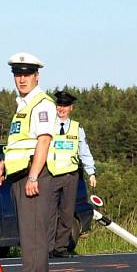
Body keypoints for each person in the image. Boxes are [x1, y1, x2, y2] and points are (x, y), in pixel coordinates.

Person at [0, 52, 56, 272]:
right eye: (18, 75)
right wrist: (3, 164)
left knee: (34, 236)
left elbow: (43, 141)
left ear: (36, 76)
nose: (21, 79)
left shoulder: (42, 104)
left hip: (34, 175)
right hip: (18, 175)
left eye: (26, 74)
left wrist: (33, 177)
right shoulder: (22, 107)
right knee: (27, 235)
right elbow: (19, 144)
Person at [49, 90, 97, 258]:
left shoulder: (77, 128)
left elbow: (84, 151)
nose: (61, 108)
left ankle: (60, 248)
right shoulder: (48, 125)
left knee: (67, 212)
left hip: (70, 175)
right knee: (48, 212)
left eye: (65, 106)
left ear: (71, 108)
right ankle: (47, 246)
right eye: (59, 105)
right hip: (50, 174)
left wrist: (91, 172)